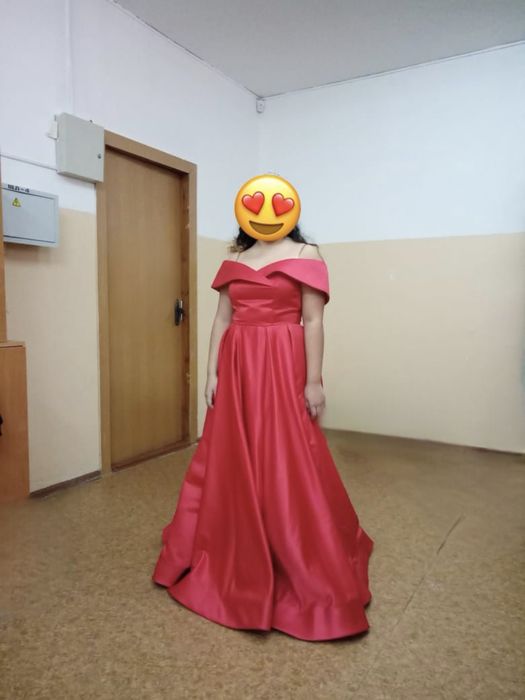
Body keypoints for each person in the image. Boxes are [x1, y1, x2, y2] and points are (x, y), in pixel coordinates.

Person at [152, 221, 374, 642]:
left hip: (282, 363)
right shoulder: (236, 256)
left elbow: (313, 321)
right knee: (229, 454)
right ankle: (231, 545)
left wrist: (313, 380)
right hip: (238, 364)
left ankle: (291, 548)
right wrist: (211, 373)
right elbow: (222, 319)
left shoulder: (306, 254)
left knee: (288, 453)